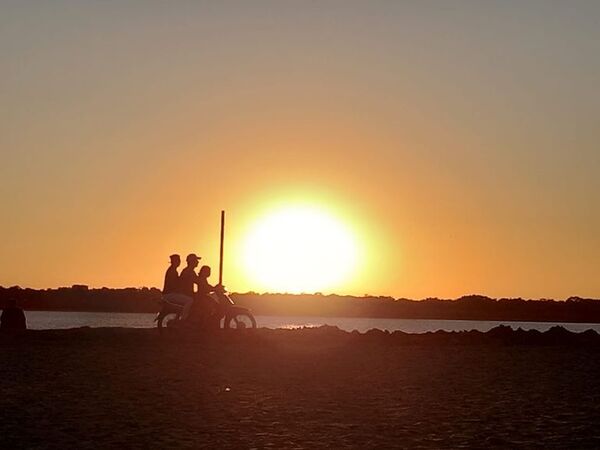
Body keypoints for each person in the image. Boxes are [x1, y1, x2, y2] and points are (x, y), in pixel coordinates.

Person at [162, 253, 195, 320]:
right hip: (170, 294)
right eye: (178, 261)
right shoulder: (172, 271)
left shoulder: (173, 270)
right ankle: (183, 319)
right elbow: (175, 284)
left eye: (179, 260)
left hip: (170, 294)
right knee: (189, 300)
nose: (179, 262)